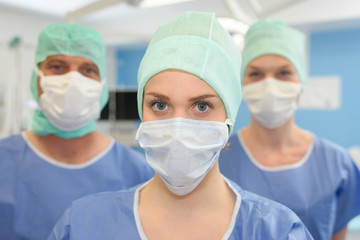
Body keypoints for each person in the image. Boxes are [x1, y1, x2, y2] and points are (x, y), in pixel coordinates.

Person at [47, 12, 313, 240]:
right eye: (160, 105)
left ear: (228, 118)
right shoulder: (83, 225)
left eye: (201, 106)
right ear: (143, 110)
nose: (178, 127)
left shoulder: (275, 230)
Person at [0, 23, 153, 240]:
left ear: (101, 84)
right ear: (37, 78)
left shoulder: (137, 171)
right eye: (57, 67)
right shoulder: (4, 161)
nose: (73, 80)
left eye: (88, 70)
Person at [219, 19, 360, 240]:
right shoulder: (218, 158)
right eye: (255, 74)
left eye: (283, 73)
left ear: (301, 81)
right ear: (242, 84)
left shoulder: (336, 163)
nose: (269, 84)